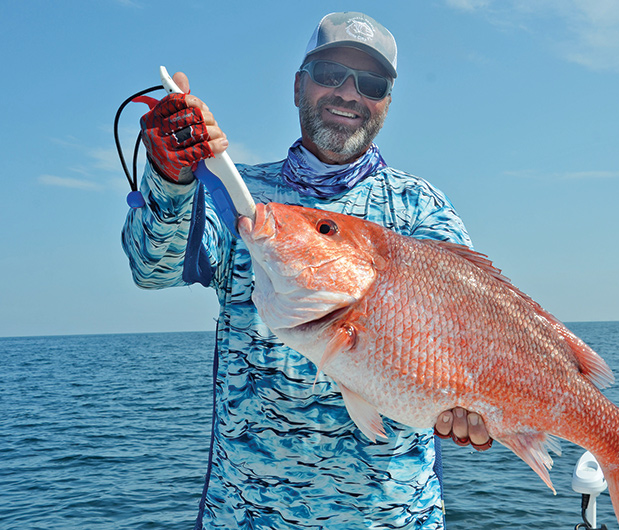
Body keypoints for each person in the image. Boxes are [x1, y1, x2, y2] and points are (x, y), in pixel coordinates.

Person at [123, 11, 491, 530]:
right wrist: (168, 176)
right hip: (246, 516)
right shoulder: (243, 199)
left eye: (371, 83)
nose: (348, 93)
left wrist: (473, 409)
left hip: (390, 519)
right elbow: (152, 268)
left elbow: (478, 332)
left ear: (386, 102)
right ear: (298, 85)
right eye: (329, 74)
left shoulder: (420, 210)